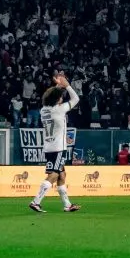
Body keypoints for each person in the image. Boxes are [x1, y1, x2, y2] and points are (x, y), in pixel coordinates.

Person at [29, 72, 81, 213]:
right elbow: (76, 99)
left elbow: (50, 97)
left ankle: (67, 205)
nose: (62, 99)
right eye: (60, 97)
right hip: (58, 148)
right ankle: (36, 201)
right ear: (57, 100)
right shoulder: (60, 109)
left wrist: (58, 86)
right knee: (54, 174)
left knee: (62, 174)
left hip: (48, 147)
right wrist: (67, 85)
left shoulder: (43, 110)